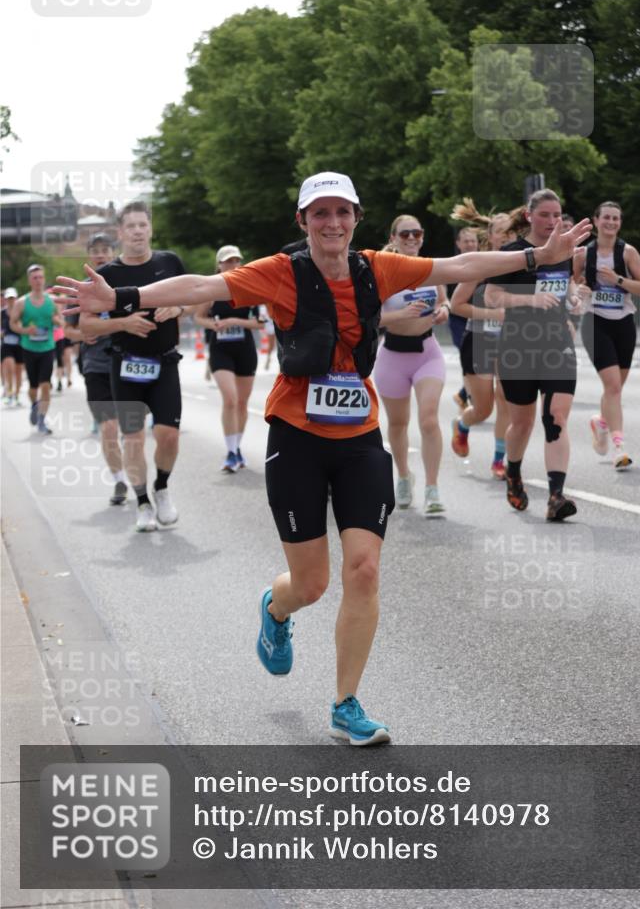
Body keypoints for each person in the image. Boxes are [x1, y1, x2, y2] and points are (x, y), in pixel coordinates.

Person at [54, 171, 589, 743]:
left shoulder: (377, 267)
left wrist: (537, 257)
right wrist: (123, 298)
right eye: (320, 213)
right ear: (303, 221)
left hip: (359, 437)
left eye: (342, 212)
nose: (332, 223)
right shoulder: (281, 272)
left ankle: (345, 704)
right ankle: (276, 608)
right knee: (310, 584)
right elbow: (202, 285)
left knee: (364, 569)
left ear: (356, 218)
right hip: (297, 438)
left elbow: (458, 267)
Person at [70, 202, 186, 532]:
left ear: (150, 229)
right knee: (133, 439)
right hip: (125, 366)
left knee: (168, 436)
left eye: (142, 225)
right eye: (130, 226)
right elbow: (86, 325)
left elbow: (193, 300)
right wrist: (123, 324)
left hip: (165, 362)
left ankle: (161, 487)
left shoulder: (169, 262)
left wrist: (177, 308)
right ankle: (143, 502)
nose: (137, 231)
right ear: (120, 232)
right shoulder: (108, 275)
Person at [485, 189, 592, 522]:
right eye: (544, 214)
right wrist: (528, 299)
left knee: (556, 417)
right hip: (518, 347)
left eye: (556, 215)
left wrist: (575, 298)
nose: (552, 221)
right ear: (529, 216)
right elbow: (491, 296)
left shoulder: (563, 250)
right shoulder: (511, 253)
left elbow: (566, 284)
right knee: (522, 423)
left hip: (557, 344)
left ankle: (556, 496)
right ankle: (514, 473)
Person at [373, 214, 448, 515]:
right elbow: (372, 318)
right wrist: (402, 314)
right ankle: (404, 475)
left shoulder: (432, 269)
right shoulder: (383, 274)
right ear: (393, 238)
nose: (412, 239)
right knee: (398, 423)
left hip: (427, 353)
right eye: (405, 234)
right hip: (392, 356)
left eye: (417, 233)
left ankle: (432, 488)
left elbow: (444, 301)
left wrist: (444, 310)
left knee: (429, 419)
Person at [574, 201, 640, 469]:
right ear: (596, 221)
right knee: (613, 386)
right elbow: (572, 284)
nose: (611, 222)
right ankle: (620, 447)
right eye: (606, 217)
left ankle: (601, 423)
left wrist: (617, 279)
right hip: (595, 322)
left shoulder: (628, 252)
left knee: (614, 388)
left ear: (620, 223)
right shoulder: (583, 254)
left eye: (616, 218)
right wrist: (579, 290)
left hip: (624, 324)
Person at [64, 234, 129, 505]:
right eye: (95, 251)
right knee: (109, 428)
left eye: (105, 250)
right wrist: (83, 335)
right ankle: (119, 481)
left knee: (130, 428)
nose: (100, 255)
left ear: (114, 253)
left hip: (127, 365)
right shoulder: (81, 290)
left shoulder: (127, 286)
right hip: (96, 366)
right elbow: (67, 331)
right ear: (89, 256)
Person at [449, 202, 513, 479]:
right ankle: (463, 425)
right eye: (501, 232)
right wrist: (493, 314)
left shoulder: (523, 264)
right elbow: (456, 304)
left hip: (511, 342)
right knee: (484, 410)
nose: (507, 237)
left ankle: (499, 460)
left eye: (511, 232)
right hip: (479, 340)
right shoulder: (481, 264)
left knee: (506, 400)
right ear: (491, 236)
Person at [194, 244, 263, 472]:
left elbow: (260, 323)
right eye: (228, 261)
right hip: (220, 350)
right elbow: (198, 317)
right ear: (219, 265)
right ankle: (231, 452)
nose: (233, 265)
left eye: (236, 261)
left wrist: (234, 321)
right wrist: (212, 324)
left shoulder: (250, 288)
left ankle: (237, 446)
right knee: (230, 399)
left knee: (242, 402)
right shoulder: (211, 290)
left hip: (245, 350)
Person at [10, 264, 63, 434]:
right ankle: (34, 404)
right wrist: (26, 330)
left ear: (44, 279)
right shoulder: (21, 303)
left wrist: (56, 321)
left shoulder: (52, 301)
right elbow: (13, 323)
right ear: (29, 281)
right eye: (35, 278)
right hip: (29, 348)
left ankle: (42, 419)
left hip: (47, 348)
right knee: (33, 387)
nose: (38, 280)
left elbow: (61, 321)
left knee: (45, 385)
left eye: (41, 277)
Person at [448, 226, 479, 410]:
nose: (470, 244)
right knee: (469, 356)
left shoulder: (485, 263)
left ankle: (463, 395)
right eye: (466, 241)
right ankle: (467, 397)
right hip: (459, 319)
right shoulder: (451, 265)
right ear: (458, 243)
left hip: (479, 318)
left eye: (473, 241)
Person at [1, 287, 24, 406]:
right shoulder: (2, 313)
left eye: (12, 298)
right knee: (9, 368)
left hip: (19, 344)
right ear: (6, 299)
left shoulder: (21, 312)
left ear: (16, 299)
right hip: (7, 345)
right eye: (9, 298)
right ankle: (9, 393)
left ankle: (17, 395)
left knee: (18, 372)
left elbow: (25, 327)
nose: (11, 300)